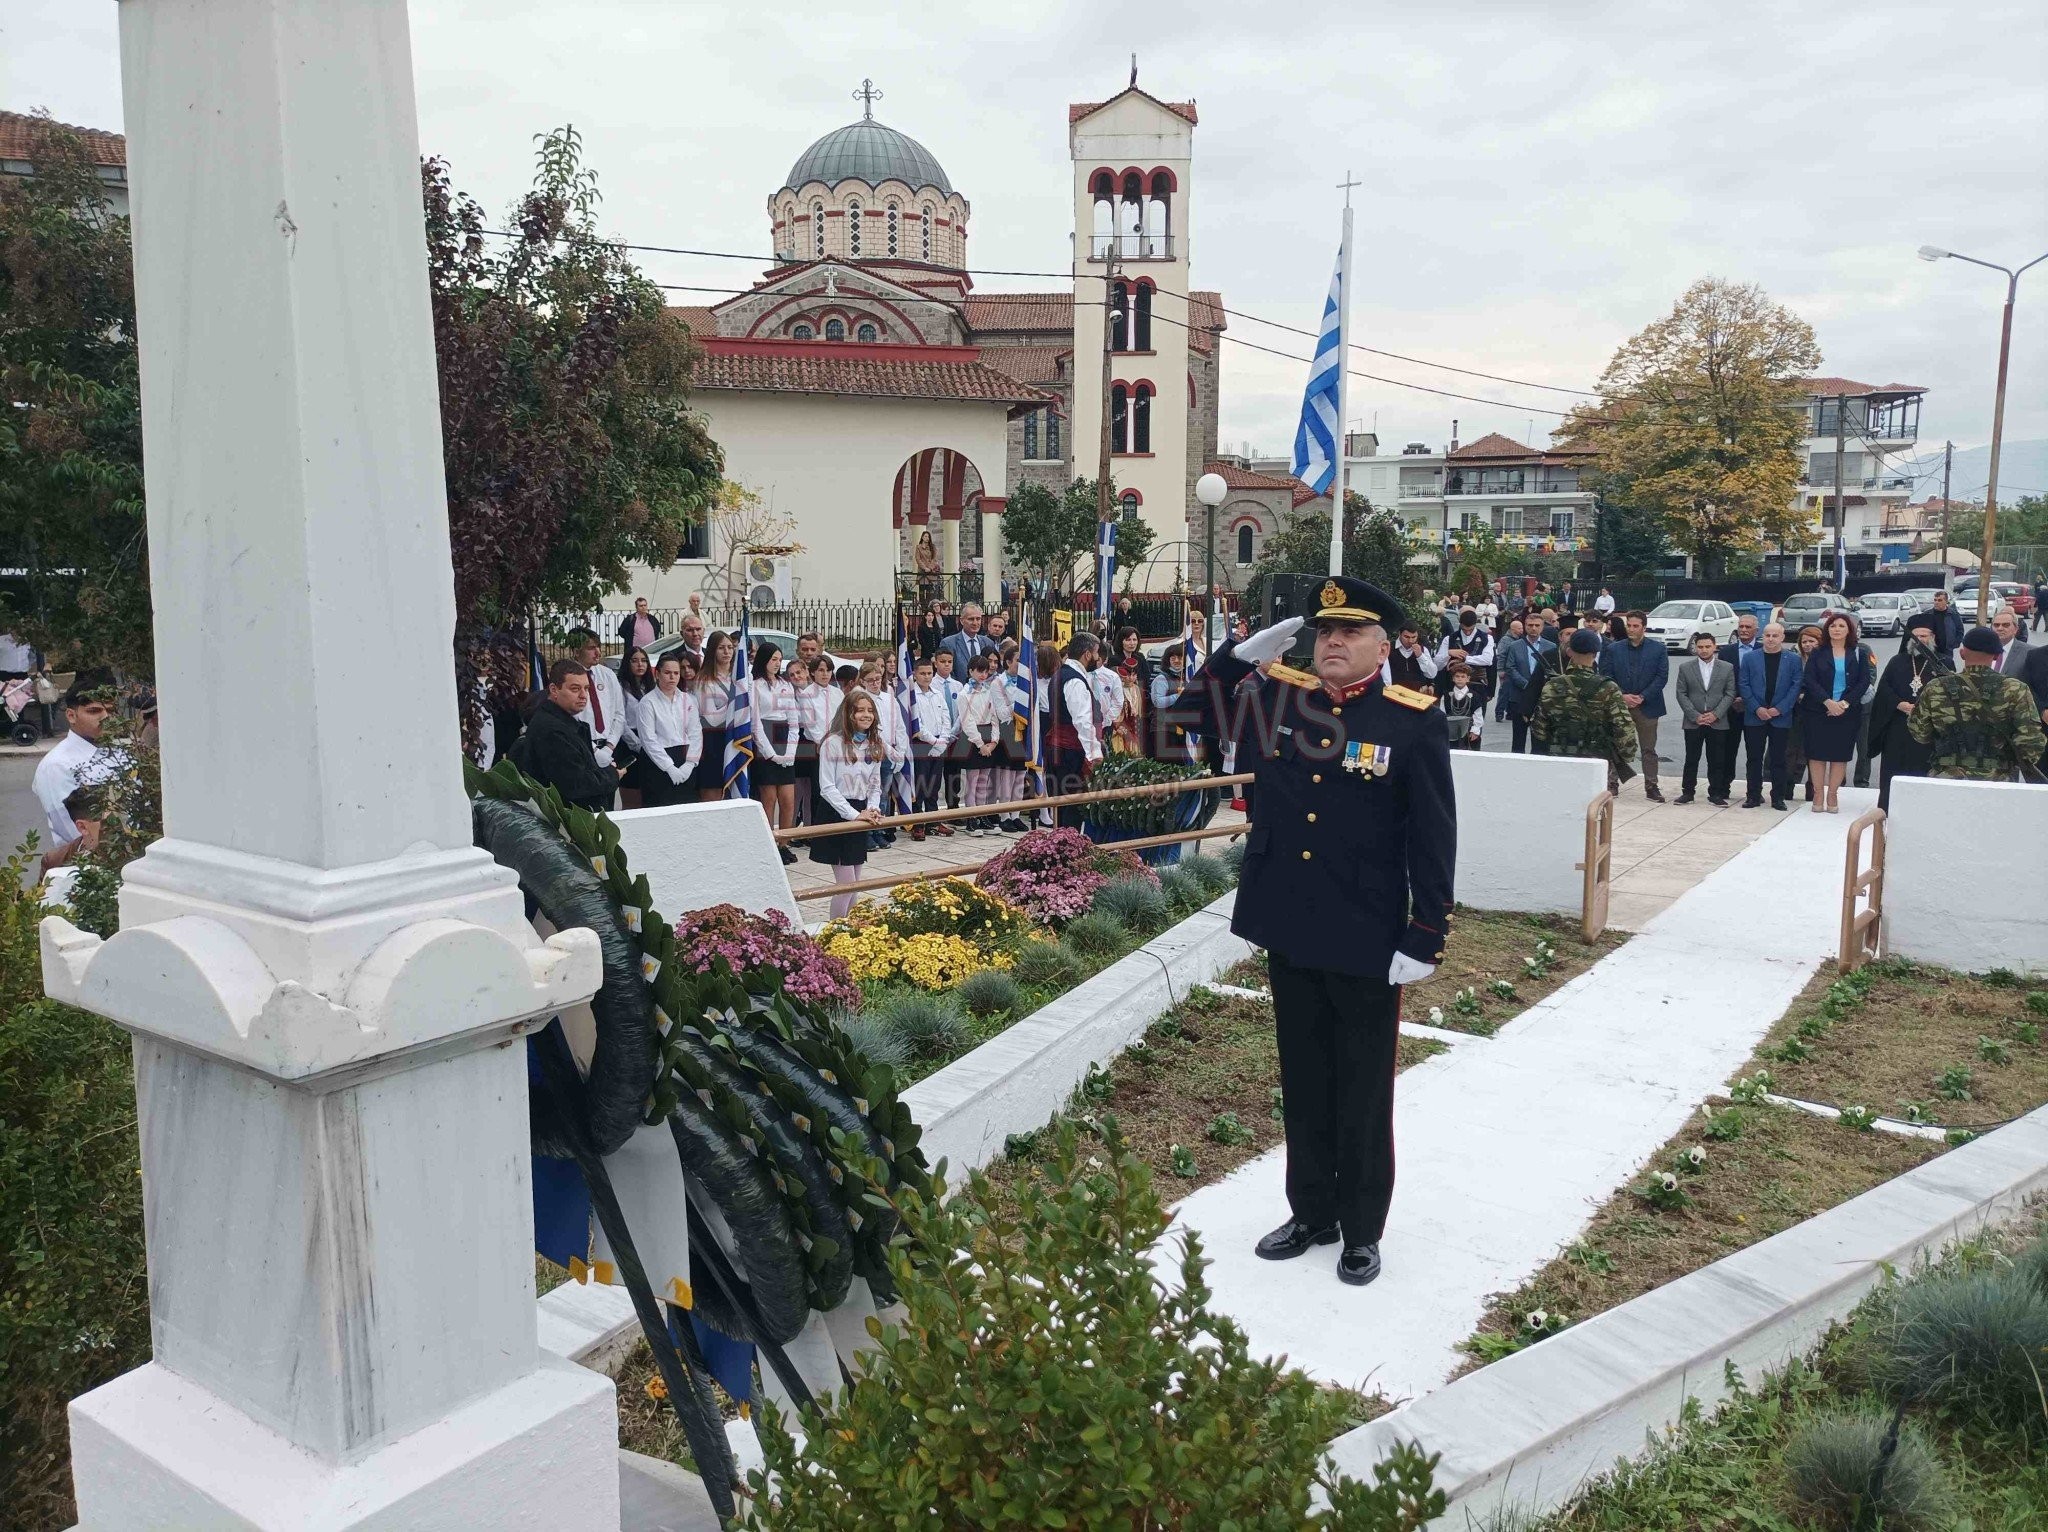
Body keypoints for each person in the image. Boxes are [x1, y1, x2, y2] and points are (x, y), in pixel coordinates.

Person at [1204, 575, 1455, 1290]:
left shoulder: (1411, 718)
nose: (1334, 643)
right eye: (1325, 633)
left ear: (1383, 644)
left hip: (1367, 937)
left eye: (1350, 633)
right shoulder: (1280, 698)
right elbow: (1194, 715)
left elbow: (1434, 838)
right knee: (1305, 1079)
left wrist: (1424, 934)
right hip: (1290, 923)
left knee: (1364, 1090)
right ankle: (1310, 1211)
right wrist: (1233, 658)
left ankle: (1362, 1229)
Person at [1906, 626, 2048, 781]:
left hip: (1946, 779)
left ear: (1962, 654)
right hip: (1998, 781)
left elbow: (1919, 733)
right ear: (1996, 656)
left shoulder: (1936, 687)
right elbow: (2031, 743)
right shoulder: (2015, 689)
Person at [508, 660, 626, 812]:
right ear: (554, 689)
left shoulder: (563, 723)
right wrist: (612, 775)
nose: (584, 695)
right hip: (568, 822)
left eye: (586, 688)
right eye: (575, 689)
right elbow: (577, 784)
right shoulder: (552, 730)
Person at [813, 688, 888, 919]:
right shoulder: (832, 743)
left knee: (855, 882)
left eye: (870, 711)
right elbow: (827, 787)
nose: (866, 715)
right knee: (845, 884)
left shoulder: (875, 743)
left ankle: (852, 932)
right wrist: (853, 814)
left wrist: (873, 808)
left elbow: (875, 783)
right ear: (849, 714)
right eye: (860, 711)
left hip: (861, 811)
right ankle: (835, 931)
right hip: (837, 813)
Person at [1532, 628, 1639, 790]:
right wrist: (1624, 756)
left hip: (1560, 758)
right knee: (1593, 809)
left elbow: (1539, 730)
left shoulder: (1551, 686)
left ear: (1569, 652)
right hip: (1596, 761)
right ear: (1596, 653)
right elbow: (1624, 729)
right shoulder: (1608, 687)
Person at [1867, 610, 1953, 812]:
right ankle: (1888, 810)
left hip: (1928, 730)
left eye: (1924, 636)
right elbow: (1884, 689)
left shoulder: (1944, 663)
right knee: (1894, 771)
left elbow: (1950, 694)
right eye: (1915, 636)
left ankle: (1922, 811)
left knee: (1923, 771)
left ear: (1932, 638)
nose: (1919, 640)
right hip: (1898, 727)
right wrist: (1900, 704)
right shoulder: (1897, 661)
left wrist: (1924, 707)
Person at [32, 679, 117, 866]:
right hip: (88, 868)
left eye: (110, 710)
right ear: (71, 715)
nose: (105, 717)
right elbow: (72, 829)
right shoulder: (56, 765)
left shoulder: (120, 753)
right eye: (94, 711)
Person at [1800, 611, 1873, 813]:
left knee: (1839, 754)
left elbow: (1864, 681)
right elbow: (1810, 680)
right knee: (1816, 753)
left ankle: (1832, 793)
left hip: (1847, 712)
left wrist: (1844, 704)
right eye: (1833, 626)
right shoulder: (1818, 652)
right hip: (1817, 710)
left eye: (1841, 626)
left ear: (1849, 630)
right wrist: (1827, 702)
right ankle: (1818, 793)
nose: (1837, 629)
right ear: (1827, 629)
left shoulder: (1859, 652)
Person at [1598, 611, 1670, 802]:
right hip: (1620, 705)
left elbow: (1661, 677)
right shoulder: (1614, 649)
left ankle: (1651, 786)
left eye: (1635, 626)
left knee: (1648, 748)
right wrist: (1621, 695)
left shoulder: (1658, 649)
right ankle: (1611, 783)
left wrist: (1643, 696)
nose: (1631, 629)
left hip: (1648, 705)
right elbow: (1606, 675)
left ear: (1644, 628)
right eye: (1629, 625)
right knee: (1615, 745)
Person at [1737, 622, 1801, 810]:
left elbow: (1795, 687)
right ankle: (1753, 796)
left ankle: (1778, 797)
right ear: (1762, 637)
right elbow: (1744, 684)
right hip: (1755, 716)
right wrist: (1757, 708)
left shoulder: (1793, 660)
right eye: (1767, 635)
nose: (1771, 639)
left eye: (1775, 635)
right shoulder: (1750, 658)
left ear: (1782, 637)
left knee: (1779, 759)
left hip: (1780, 717)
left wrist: (1779, 709)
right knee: (1754, 758)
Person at [624, 653, 702, 807]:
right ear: (657, 674)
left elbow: (695, 733)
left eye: (676, 673)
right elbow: (648, 739)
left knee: (687, 809)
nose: (672, 677)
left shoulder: (688, 699)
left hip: (684, 758)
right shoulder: (647, 703)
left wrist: (690, 764)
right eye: (667, 673)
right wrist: (669, 767)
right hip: (657, 763)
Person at [1673, 631, 1738, 806]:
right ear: (1695, 647)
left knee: (1717, 759)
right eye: (1700, 647)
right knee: (1691, 758)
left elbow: (1730, 693)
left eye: (1707, 646)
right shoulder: (1686, 667)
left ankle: (1716, 793)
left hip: (1718, 721)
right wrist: (1695, 715)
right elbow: (1681, 693)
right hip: (1693, 721)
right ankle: (1688, 792)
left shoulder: (1726, 667)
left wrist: (1716, 714)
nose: (1704, 650)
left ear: (1715, 647)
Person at [750, 642, 800, 862]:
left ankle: (784, 844)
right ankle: (769, 844)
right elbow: (755, 724)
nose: (777, 663)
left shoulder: (785, 685)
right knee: (769, 798)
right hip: (765, 743)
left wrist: (790, 751)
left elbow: (794, 721)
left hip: (784, 738)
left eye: (780, 659)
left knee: (788, 799)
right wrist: (770, 754)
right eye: (773, 659)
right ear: (764, 660)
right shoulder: (755, 685)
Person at [1049, 633, 1104, 819]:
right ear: (1087, 654)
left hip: (1059, 749)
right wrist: (1094, 754)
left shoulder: (1061, 674)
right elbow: (1082, 721)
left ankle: (1063, 844)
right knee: (1071, 806)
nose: (1098, 658)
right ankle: (1068, 846)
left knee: (1063, 805)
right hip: (1070, 752)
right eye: (1096, 653)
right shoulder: (1073, 680)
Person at [956, 650, 1008, 834]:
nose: (983, 675)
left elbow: (995, 716)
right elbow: (967, 721)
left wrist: (994, 741)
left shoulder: (989, 691)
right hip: (973, 738)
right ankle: (972, 818)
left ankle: (983, 815)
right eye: (979, 671)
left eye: (985, 672)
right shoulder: (963, 694)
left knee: (984, 781)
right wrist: (980, 744)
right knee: (972, 781)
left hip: (988, 735)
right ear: (970, 671)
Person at [906, 655, 956, 839]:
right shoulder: (912, 696)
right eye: (922, 673)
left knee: (934, 784)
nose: (926, 677)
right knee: (921, 783)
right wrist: (932, 741)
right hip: (921, 743)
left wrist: (942, 740)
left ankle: (933, 820)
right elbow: (916, 722)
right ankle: (918, 823)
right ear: (915, 674)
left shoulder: (937, 693)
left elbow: (945, 716)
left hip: (939, 742)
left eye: (929, 673)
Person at [567, 628, 628, 772]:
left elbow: (619, 714)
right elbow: (569, 719)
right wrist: (593, 750)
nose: (598, 653)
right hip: (582, 748)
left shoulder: (607, 675)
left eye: (598, 647)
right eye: (591, 648)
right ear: (576, 652)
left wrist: (609, 747)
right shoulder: (568, 677)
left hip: (609, 748)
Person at [693, 630, 740, 803]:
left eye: (730, 647)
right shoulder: (703, 680)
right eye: (721, 648)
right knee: (713, 794)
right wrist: (736, 705)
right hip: (713, 741)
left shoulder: (740, 677)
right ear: (713, 650)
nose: (727, 652)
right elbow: (711, 718)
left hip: (737, 738)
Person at [1148, 640, 1197, 765]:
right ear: (1167, 660)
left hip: (1181, 731)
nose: (1176, 660)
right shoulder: (1161, 678)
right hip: (1163, 730)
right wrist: (1179, 696)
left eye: (1180, 657)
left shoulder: (1188, 679)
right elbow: (1158, 702)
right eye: (1173, 657)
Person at [938, 602, 996, 676]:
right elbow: (946, 672)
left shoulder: (988, 643)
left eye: (978, 619)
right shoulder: (949, 643)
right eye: (971, 619)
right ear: (962, 621)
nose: (975, 623)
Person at [1906, 589, 1963, 658]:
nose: (1936, 602)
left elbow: (1960, 630)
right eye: (1935, 600)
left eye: (1939, 600)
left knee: (1946, 667)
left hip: (1947, 649)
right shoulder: (1927, 614)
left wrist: (1954, 644)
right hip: (1930, 648)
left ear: (1946, 601)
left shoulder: (1953, 615)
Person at [1386, 624, 1438, 693]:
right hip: (1393, 692)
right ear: (1400, 634)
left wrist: (1420, 656)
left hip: (1417, 693)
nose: (1410, 640)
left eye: (1414, 637)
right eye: (1406, 637)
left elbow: (1432, 674)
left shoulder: (1423, 649)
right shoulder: (1389, 648)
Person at [1441, 664, 1483, 749]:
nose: (1460, 679)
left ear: (1468, 679)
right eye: (1457, 676)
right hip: (1450, 731)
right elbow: (1442, 714)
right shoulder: (1446, 696)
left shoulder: (1475, 696)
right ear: (1453, 678)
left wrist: (1475, 731)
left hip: (1468, 732)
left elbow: (1478, 715)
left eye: (1463, 677)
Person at [1990, 606, 2031, 677]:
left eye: (2005, 625)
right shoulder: (1982, 650)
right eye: (1996, 625)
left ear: (2016, 629)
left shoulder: (2029, 653)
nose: (2000, 628)